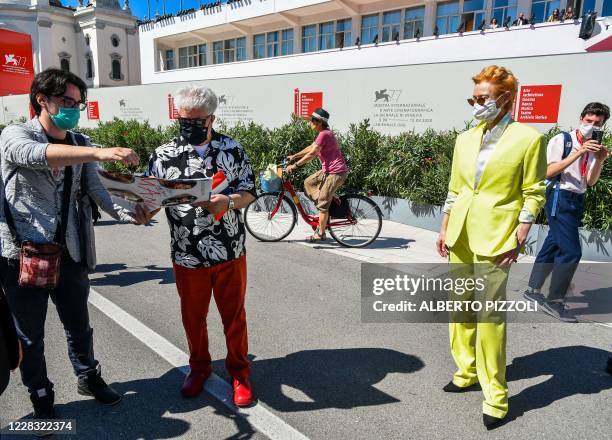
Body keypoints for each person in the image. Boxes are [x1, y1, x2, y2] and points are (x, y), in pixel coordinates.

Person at [0, 68, 151, 431]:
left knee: (79, 325)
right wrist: (98, 152)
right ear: (42, 99)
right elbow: (37, 155)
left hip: (69, 251)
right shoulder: (14, 134)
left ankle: (88, 376)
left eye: (78, 103)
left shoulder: (80, 142)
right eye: (66, 101)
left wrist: (132, 214)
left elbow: (96, 192)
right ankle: (40, 394)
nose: (73, 109)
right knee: (31, 335)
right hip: (21, 254)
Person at [435, 65, 546, 429]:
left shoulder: (529, 139)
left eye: (482, 98)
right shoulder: (464, 139)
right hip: (461, 235)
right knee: (460, 308)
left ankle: (496, 395)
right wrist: (444, 227)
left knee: (490, 318)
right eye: (473, 98)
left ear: (505, 98)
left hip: (497, 236)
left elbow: (534, 191)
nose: (476, 104)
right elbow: (455, 189)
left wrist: (522, 231)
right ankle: (466, 371)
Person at [146, 85, 257, 407]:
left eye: (197, 122)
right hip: (186, 252)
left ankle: (240, 372)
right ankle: (199, 368)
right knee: (193, 317)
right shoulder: (164, 154)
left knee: (233, 316)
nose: (190, 127)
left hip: (229, 249)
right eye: (184, 121)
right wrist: (141, 209)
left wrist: (230, 202)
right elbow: (149, 196)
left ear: (211, 119)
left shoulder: (232, 149)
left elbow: (249, 190)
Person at [524, 103, 610, 322]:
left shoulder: (594, 147)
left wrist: (599, 160)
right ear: (581, 118)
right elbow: (546, 171)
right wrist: (579, 152)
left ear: (604, 125)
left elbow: (589, 181)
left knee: (553, 243)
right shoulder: (563, 140)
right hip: (559, 197)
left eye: (597, 123)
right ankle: (555, 301)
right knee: (571, 252)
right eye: (588, 121)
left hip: (576, 199)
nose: (591, 126)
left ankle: (532, 290)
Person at [286, 108, 349, 242]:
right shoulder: (322, 134)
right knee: (308, 183)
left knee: (322, 203)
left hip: (336, 172)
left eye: (312, 120)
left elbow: (313, 153)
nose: (310, 122)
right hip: (327, 171)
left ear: (319, 122)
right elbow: (311, 148)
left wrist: (295, 165)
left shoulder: (325, 134)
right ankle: (324, 206)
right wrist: (294, 156)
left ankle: (321, 233)